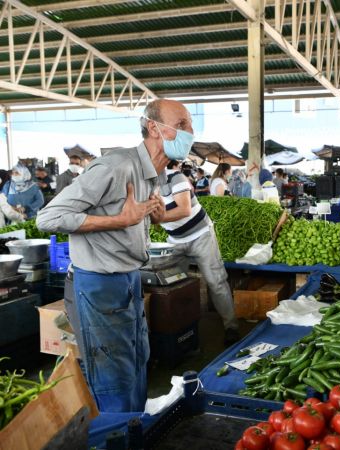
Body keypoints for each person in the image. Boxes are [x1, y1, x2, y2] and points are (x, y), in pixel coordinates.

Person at [36, 98, 199, 412]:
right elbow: (48, 218)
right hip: (98, 284)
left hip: (128, 279)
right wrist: (120, 220)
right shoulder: (116, 166)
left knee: (138, 361)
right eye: (181, 125)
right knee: (114, 378)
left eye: (190, 126)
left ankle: (134, 430)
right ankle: (115, 434)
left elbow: (136, 216)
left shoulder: (155, 173)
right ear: (153, 127)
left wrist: (152, 215)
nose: (190, 133)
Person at [159, 161, 240, 345]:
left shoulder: (175, 177)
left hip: (201, 235)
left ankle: (231, 326)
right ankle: (182, 331)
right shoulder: (143, 187)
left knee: (215, 281)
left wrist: (155, 216)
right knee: (173, 285)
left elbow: (184, 209)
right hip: (175, 241)